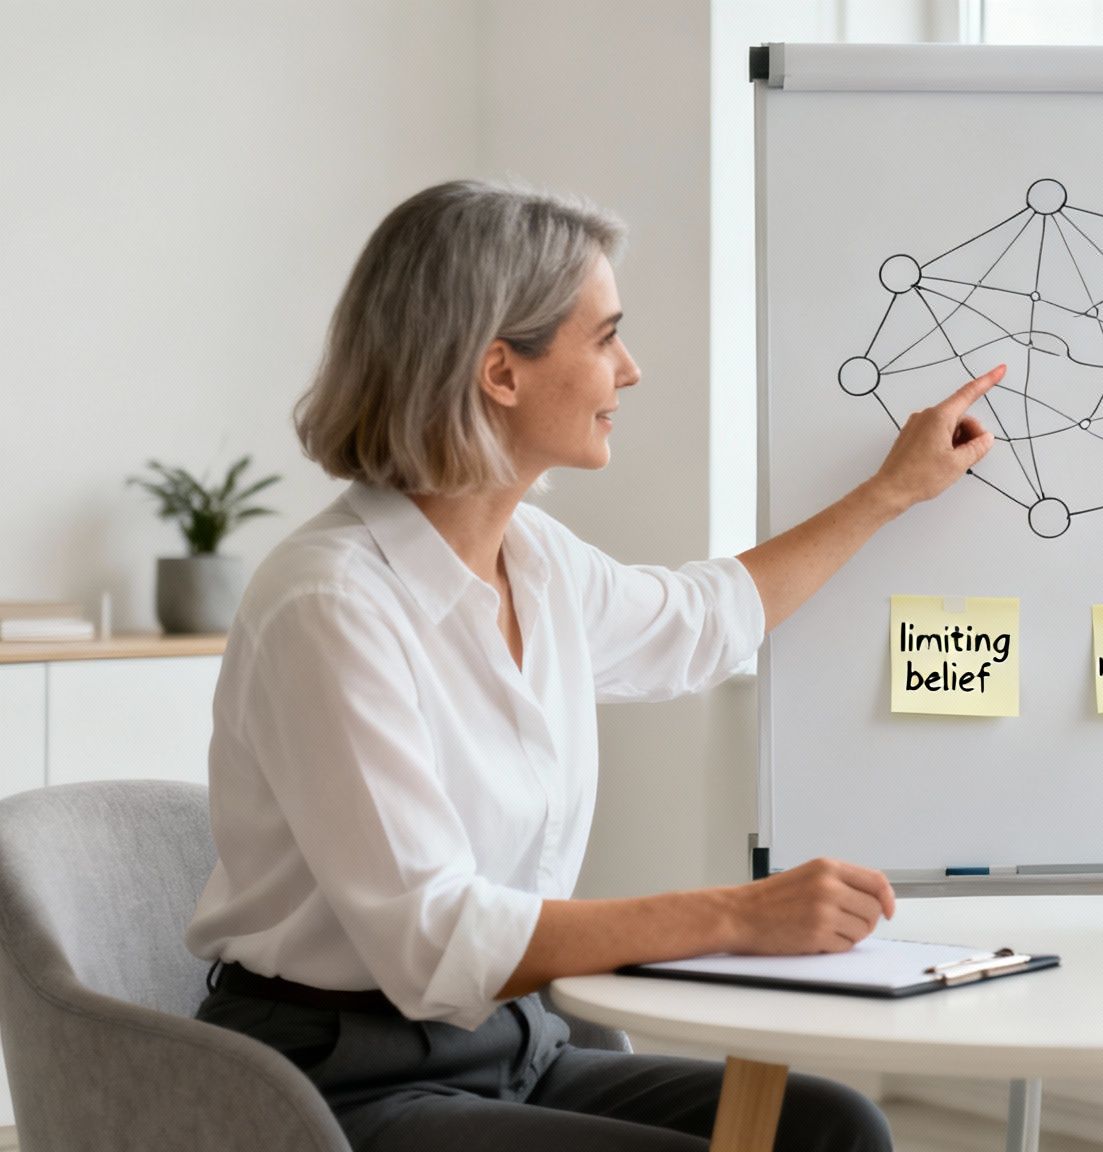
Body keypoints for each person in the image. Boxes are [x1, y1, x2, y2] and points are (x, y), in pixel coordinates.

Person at [185, 179, 1006, 1151]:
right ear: (501, 370)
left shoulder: (535, 560)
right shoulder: (330, 604)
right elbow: (435, 942)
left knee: (831, 1128)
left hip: (514, 1043)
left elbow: (704, 622)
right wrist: (738, 915)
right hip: (341, 1082)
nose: (631, 369)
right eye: (604, 336)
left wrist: (888, 495)